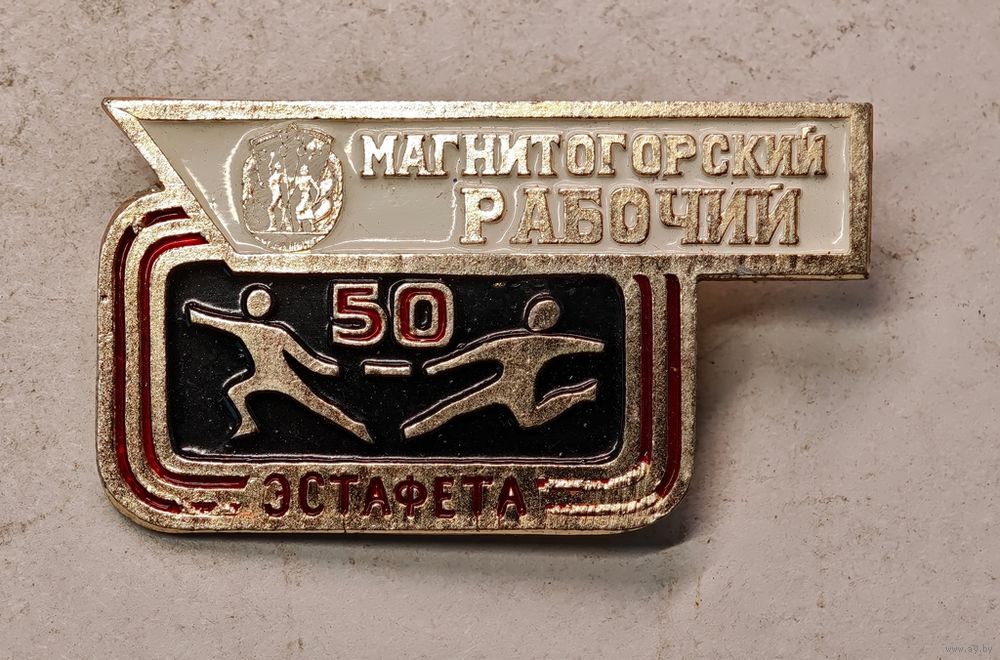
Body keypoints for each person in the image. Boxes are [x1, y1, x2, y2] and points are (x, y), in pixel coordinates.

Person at [402, 296, 603, 438]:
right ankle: (411, 432)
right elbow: (473, 355)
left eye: (539, 314)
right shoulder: (528, 342)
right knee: (454, 407)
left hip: (520, 394)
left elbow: (471, 355)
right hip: (502, 387)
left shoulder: (546, 342)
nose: (534, 317)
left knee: (456, 408)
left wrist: (438, 367)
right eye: (535, 313)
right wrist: (438, 367)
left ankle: (583, 394)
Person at [188, 286, 371, 443]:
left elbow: (303, 357)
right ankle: (248, 425)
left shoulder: (277, 333)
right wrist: (197, 317)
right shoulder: (246, 328)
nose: (254, 305)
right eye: (253, 302)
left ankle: (355, 426)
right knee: (235, 392)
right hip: (261, 377)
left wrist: (326, 369)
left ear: (266, 308)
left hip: (285, 377)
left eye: (259, 303)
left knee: (317, 404)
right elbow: (221, 323)